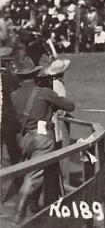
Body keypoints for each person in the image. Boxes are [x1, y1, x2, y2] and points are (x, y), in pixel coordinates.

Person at [11, 63, 76, 224]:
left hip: (24, 139)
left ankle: (33, 208)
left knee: (31, 172)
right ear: (35, 75)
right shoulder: (44, 93)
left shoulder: (14, 95)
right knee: (34, 177)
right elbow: (70, 106)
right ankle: (18, 216)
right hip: (43, 138)